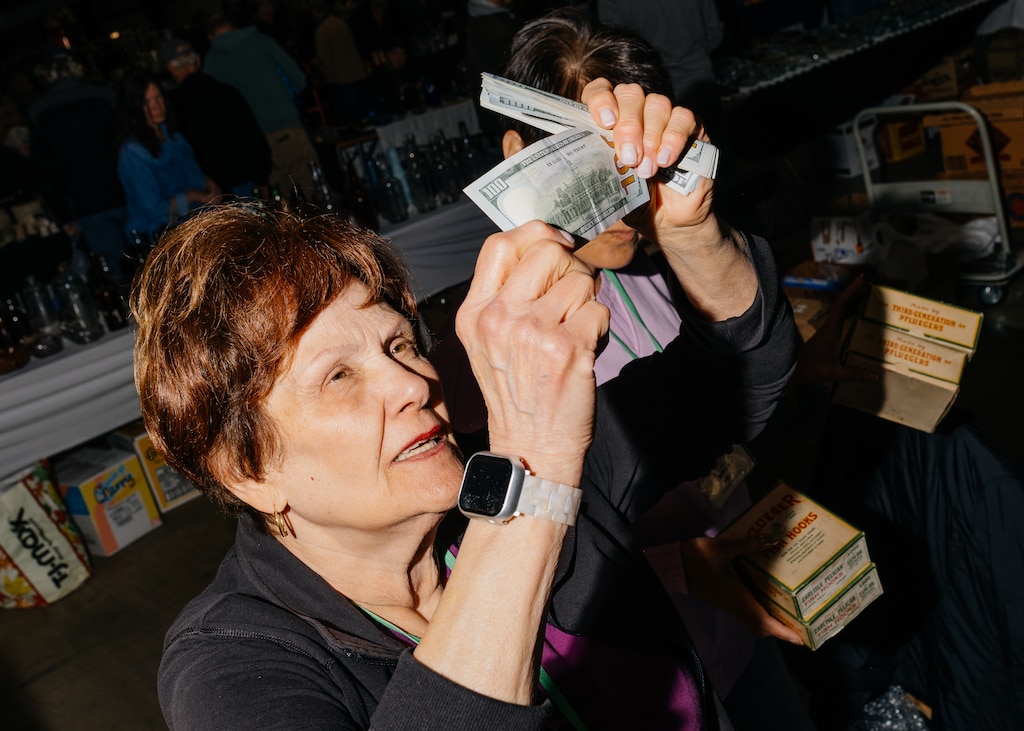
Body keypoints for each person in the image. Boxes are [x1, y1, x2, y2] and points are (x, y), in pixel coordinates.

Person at [138, 75, 798, 728]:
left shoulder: (492, 474)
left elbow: (739, 375)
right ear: (246, 468)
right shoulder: (231, 667)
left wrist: (693, 236)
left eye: (398, 344)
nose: (413, 383)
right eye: (338, 376)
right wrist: (533, 465)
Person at [430, 10, 815, 728]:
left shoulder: (672, 280)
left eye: (628, 159)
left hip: (746, 628)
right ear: (517, 150)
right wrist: (686, 568)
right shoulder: (478, 366)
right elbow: (509, 577)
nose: (619, 197)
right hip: (642, 678)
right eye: (583, 160)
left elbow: (752, 375)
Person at [25, 48, 131, 277]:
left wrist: (63, 215)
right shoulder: (103, 95)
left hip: (85, 205)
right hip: (125, 193)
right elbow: (124, 142)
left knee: (118, 275)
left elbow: (44, 171)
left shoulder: (39, 111)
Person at [202, 11, 321, 196]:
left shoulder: (210, 64)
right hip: (287, 125)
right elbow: (299, 79)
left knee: (279, 207)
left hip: (252, 143)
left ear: (210, 37)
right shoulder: (261, 41)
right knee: (312, 193)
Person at [596, 0, 727, 150]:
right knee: (716, 156)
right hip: (699, 82)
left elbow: (614, 50)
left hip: (650, 95)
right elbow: (715, 34)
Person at [115, 69, 221, 244]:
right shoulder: (132, 153)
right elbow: (154, 209)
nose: (156, 106)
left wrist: (209, 185)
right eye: (147, 102)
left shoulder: (172, 136)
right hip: (161, 238)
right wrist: (193, 196)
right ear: (134, 108)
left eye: (158, 98)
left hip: (195, 225)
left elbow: (193, 173)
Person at [161, 37, 272, 200]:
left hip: (206, 192)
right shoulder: (225, 92)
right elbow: (250, 138)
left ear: (171, 67)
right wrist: (261, 178)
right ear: (197, 60)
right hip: (241, 182)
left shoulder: (173, 106)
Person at [308, 0, 369, 127]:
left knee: (348, 120)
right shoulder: (340, 23)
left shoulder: (322, 30)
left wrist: (321, 70)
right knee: (362, 116)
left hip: (339, 79)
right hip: (356, 73)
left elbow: (325, 58)